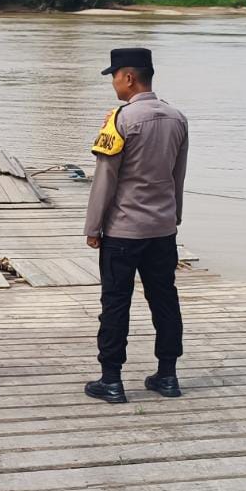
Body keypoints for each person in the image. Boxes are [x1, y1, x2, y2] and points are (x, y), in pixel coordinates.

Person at [84, 47, 189, 404]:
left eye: (114, 75)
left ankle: (111, 380)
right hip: (162, 231)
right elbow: (179, 176)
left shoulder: (120, 119)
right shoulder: (178, 118)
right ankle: (168, 376)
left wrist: (94, 226)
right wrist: (172, 217)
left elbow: (105, 179)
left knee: (115, 302)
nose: (113, 82)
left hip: (124, 231)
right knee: (165, 300)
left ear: (128, 78)